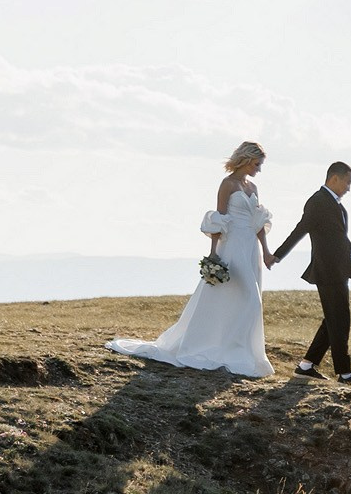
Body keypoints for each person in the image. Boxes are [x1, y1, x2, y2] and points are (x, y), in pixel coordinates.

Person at [108, 142, 276, 377]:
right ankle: (225, 349)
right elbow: (219, 220)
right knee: (250, 300)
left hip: (251, 250)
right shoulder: (227, 184)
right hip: (232, 247)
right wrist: (214, 253)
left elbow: (258, 223)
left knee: (246, 299)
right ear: (247, 160)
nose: (259, 169)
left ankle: (238, 350)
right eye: (257, 164)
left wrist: (266, 252)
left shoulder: (253, 187)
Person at [272, 161, 351, 385]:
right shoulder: (318, 201)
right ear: (334, 178)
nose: (349, 188)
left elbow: (339, 236)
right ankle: (345, 374)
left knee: (333, 319)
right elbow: (300, 230)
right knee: (340, 320)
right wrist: (277, 255)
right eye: (347, 182)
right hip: (327, 271)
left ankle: (306, 366)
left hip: (339, 270)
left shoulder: (337, 205)